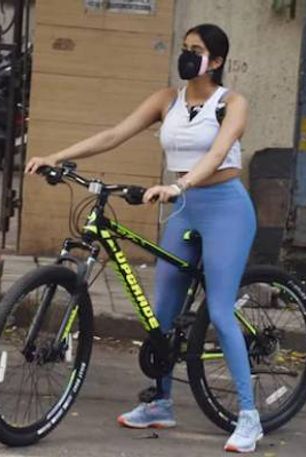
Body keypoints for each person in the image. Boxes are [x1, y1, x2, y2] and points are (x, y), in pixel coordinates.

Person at [26, 24, 261, 453]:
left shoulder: (232, 103)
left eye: (198, 51)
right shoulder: (166, 99)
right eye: (185, 48)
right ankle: (161, 402)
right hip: (185, 208)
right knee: (163, 313)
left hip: (225, 207)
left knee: (222, 311)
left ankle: (249, 417)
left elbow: (217, 152)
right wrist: (56, 156)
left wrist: (179, 186)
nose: (188, 56)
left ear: (218, 61)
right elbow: (115, 134)